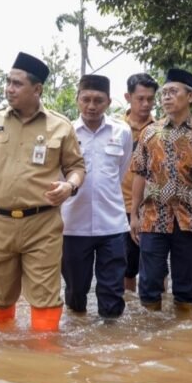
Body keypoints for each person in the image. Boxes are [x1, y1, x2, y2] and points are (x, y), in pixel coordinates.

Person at [0, 52, 86, 331]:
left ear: (37, 89)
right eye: (8, 82)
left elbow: (77, 167)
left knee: (45, 296)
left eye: (17, 84)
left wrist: (70, 186)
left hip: (42, 225)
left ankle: (45, 360)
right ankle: (3, 356)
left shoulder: (60, 126)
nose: (9, 88)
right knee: (0, 295)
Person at [130, 68, 192, 313]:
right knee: (149, 284)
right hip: (153, 220)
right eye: (164, 93)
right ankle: (153, 338)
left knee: (185, 288)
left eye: (173, 92)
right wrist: (134, 215)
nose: (166, 98)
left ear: (190, 96)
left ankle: (186, 339)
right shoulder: (149, 134)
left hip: (190, 221)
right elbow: (139, 174)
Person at [61, 75, 132, 319]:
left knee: (113, 293)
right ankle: (78, 339)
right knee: (75, 293)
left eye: (98, 100)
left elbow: (121, 171)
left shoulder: (122, 132)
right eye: (86, 99)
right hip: (72, 226)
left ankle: (110, 343)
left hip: (111, 226)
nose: (92, 106)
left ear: (108, 102)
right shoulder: (65, 132)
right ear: (77, 100)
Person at [121, 73, 158, 293]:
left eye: (150, 99)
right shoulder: (116, 129)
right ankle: (131, 313)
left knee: (157, 267)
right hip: (123, 207)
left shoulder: (162, 129)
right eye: (140, 98)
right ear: (128, 97)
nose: (146, 104)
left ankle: (160, 315)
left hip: (156, 208)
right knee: (127, 268)